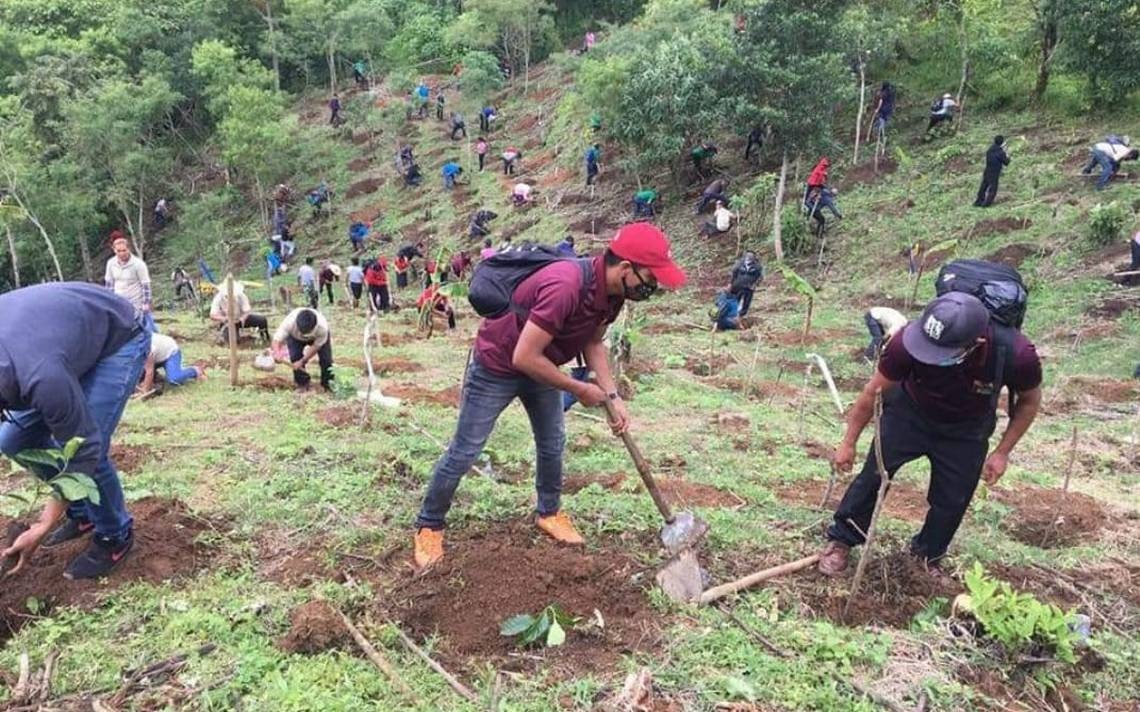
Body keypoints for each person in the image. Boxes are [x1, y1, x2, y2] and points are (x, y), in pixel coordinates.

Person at [411, 222, 687, 568]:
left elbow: (592, 340)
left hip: (544, 366)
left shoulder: (613, 294)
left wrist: (612, 395)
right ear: (627, 268)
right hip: (498, 366)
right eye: (651, 278)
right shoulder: (566, 284)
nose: (653, 287)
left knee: (553, 442)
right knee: (466, 450)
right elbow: (523, 357)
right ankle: (429, 524)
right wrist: (580, 388)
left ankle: (549, 512)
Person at [819, 293, 1043, 576]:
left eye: (943, 353)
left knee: (953, 498)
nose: (932, 357)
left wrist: (1002, 452)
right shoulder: (906, 342)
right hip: (909, 412)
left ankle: (926, 558)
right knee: (874, 474)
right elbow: (872, 391)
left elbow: (1029, 402)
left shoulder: (1017, 354)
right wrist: (848, 443)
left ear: (977, 343)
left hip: (967, 429)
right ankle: (842, 539)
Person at [0, 283, 151, 579]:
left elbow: (84, 448)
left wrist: (44, 524)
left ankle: (114, 535)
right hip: (61, 341)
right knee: (12, 438)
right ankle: (82, 511)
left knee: (85, 443)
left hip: (118, 336)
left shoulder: (41, 377)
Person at [272, 308, 334, 391]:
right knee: (295, 357)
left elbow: (316, 346)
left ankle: (328, 384)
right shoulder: (289, 322)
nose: (304, 335)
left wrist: (303, 361)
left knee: (326, 360)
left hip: (317, 338)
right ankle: (302, 384)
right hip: (295, 337)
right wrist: (277, 353)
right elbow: (277, 340)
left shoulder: (322, 328)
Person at [104, 234, 155, 332]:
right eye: (119, 251)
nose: (122, 253)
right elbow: (109, 285)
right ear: (114, 250)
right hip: (119, 302)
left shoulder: (138, 264)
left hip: (136, 303)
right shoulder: (111, 263)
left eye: (124, 250)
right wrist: (108, 301)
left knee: (147, 329)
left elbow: (146, 285)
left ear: (128, 249)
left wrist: (146, 303)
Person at [140, 333, 204, 391]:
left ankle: (194, 370)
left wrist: (145, 390)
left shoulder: (147, 347)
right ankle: (156, 378)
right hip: (156, 355)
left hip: (170, 353)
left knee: (174, 379)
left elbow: (149, 370)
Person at [974, 135, 1011, 208]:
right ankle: (986, 204)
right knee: (993, 189)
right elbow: (1006, 162)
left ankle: (978, 201)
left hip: (987, 170)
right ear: (1002, 143)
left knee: (983, 186)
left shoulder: (990, 149)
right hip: (994, 172)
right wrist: (1007, 153)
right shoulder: (1000, 152)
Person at [729, 251, 763, 317]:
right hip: (738, 286)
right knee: (735, 300)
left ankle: (742, 314)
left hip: (749, 287)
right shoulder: (739, 264)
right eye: (747, 257)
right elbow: (734, 274)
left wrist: (755, 285)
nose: (748, 259)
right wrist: (731, 283)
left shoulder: (757, 266)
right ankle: (732, 314)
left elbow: (760, 277)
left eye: (750, 258)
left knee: (747, 302)